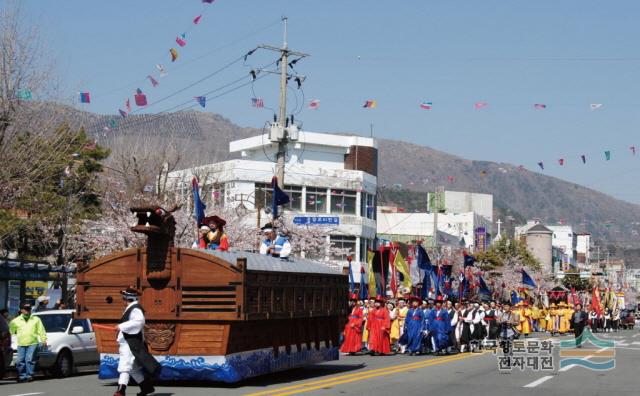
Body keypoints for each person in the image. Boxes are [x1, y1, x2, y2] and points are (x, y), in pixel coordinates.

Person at [114, 287, 160, 396]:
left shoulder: (135, 309)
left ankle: (121, 390)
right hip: (127, 341)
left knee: (125, 365)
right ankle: (146, 388)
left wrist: (121, 326)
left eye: (123, 298)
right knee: (133, 368)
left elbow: (139, 322)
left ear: (127, 298)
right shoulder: (131, 308)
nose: (122, 300)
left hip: (131, 343)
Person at [9, 303, 47, 383]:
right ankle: (22, 376)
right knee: (20, 360)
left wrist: (43, 339)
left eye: (28, 309)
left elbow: (41, 330)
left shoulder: (36, 319)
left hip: (33, 343)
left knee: (29, 359)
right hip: (21, 343)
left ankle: (29, 375)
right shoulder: (16, 321)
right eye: (25, 309)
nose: (27, 311)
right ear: (21, 310)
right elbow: (10, 331)